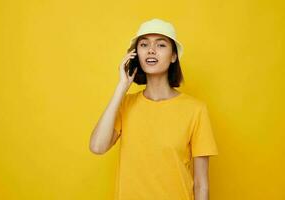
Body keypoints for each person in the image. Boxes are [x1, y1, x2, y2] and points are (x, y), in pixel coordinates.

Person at [89, 18, 219, 200]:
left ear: (174, 56)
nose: (151, 50)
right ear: (136, 54)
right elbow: (97, 146)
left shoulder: (195, 110)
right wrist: (121, 87)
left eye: (161, 45)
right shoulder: (125, 104)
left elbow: (201, 185)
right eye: (144, 44)